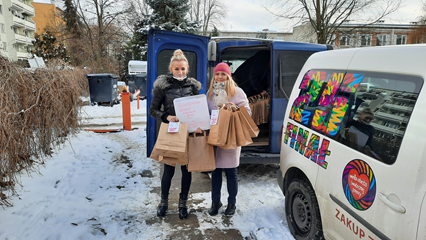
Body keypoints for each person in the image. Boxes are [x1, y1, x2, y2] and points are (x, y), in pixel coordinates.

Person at [149, 49, 202, 219]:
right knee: (169, 170)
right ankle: (163, 202)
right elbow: (153, 110)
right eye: (177, 69)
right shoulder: (162, 87)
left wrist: (199, 124)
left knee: (187, 170)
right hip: (171, 133)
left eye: (183, 69)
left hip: (187, 133)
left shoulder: (193, 87)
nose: (180, 72)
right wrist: (166, 116)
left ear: (187, 70)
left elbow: (197, 108)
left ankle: (182, 203)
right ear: (171, 69)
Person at [206, 63, 251, 216]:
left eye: (223, 74)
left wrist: (233, 108)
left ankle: (232, 203)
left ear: (228, 76)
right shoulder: (210, 93)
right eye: (217, 74)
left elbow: (248, 113)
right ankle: (215, 201)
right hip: (215, 137)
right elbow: (205, 113)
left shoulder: (237, 92)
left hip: (231, 137)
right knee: (216, 171)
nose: (220, 77)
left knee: (231, 172)